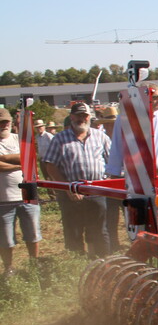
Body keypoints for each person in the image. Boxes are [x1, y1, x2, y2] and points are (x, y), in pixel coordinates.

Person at [42, 101, 111, 257]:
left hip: (97, 192)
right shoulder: (60, 139)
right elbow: (50, 166)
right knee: (73, 232)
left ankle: (104, 263)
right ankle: (76, 266)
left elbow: (112, 162)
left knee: (100, 231)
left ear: (89, 117)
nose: (82, 119)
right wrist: (68, 188)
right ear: (72, 117)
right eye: (78, 115)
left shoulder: (101, 137)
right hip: (71, 195)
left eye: (85, 115)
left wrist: (107, 183)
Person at [0, 109, 42, 275]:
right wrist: (20, 165)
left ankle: (34, 263)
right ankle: (8, 268)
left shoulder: (19, 139)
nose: (3, 125)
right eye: (0, 122)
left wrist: (5, 159)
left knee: (33, 233)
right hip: (3, 198)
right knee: (6, 238)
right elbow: (22, 160)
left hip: (28, 193)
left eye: (5, 122)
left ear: (11, 123)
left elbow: (29, 156)